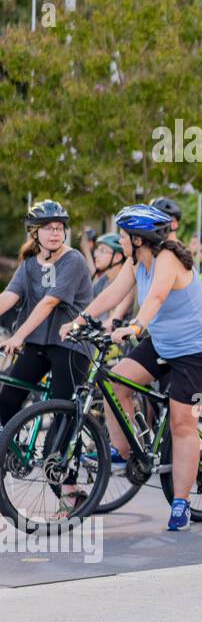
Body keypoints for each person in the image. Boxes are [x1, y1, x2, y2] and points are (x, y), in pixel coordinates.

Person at [63, 204, 202, 532]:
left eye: (122, 235)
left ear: (138, 239)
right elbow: (112, 294)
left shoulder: (168, 259)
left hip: (197, 350)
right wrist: (80, 320)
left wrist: (135, 327)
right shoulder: (136, 261)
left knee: (182, 424)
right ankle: (129, 451)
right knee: (114, 382)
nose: (119, 240)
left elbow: (157, 298)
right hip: (165, 343)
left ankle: (182, 502)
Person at [0, 201, 94, 517]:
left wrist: (17, 336)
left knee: (63, 413)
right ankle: (14, 458)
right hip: (40, 345)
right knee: (6, 402)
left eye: (59, 227)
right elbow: (9, 298)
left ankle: (70, 492)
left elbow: (49, 304)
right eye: (48, 228)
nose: (55, 233)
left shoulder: (74, 261)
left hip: (71, 346)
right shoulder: (29, 265)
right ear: (36, 233)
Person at [90, 232, 127, 307]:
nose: (96, 254)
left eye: (102, 251)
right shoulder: (104, 280)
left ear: (117, 257)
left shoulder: (125, 285)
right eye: (97, 250)